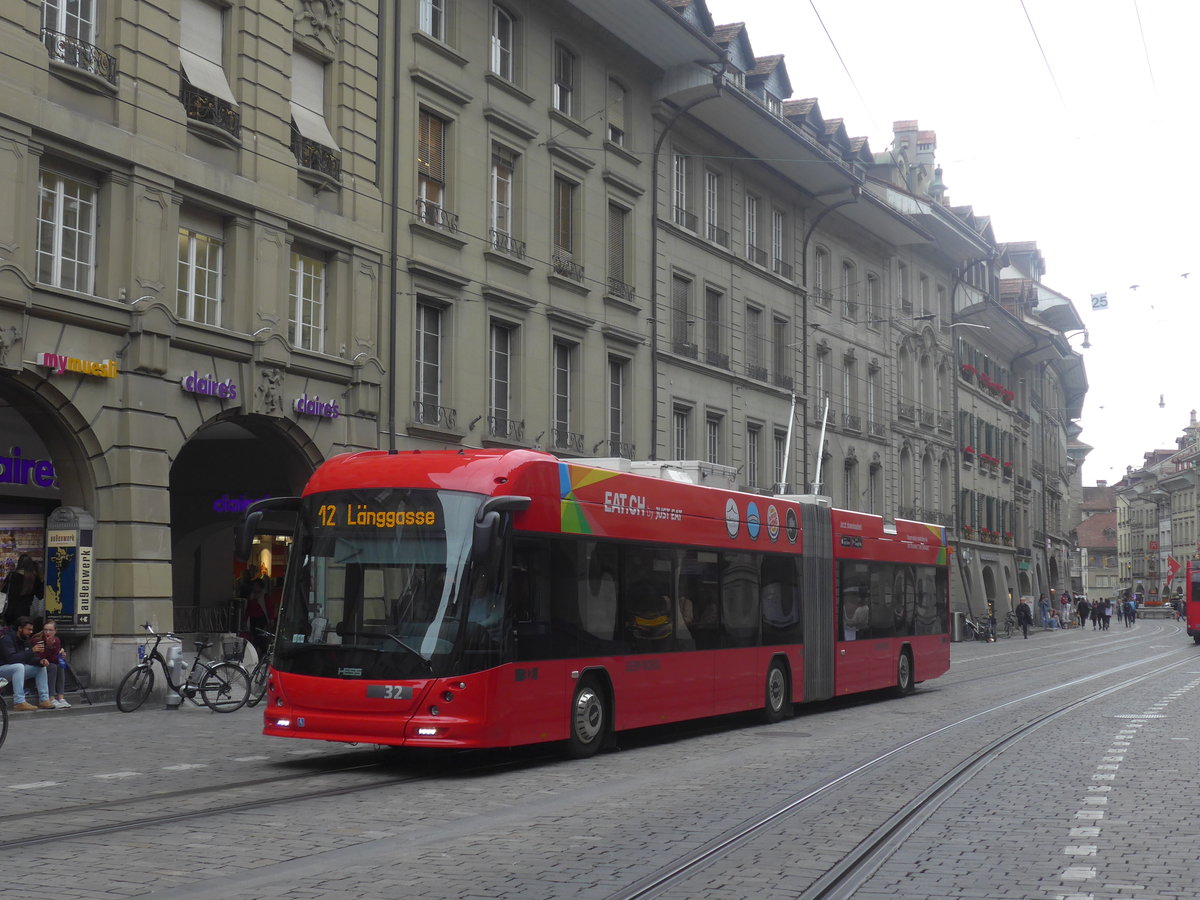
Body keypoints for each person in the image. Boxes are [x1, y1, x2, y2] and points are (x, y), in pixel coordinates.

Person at [0, 616, 53, 710]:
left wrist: (39, 661)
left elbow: (29, 659)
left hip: (16, 669)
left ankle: (44, 699)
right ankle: (19, 702)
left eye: (32, 630)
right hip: (3, 669)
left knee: (40, 668)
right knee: (19, 667)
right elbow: (11, 659)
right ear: (20, 628)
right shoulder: (7, 639)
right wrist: (31, 651)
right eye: (28, 629)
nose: (31, 632)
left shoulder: (25, 639)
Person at [33, 618, 70, 708]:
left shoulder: (56, 640)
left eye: (50, 630)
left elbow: (54, 659)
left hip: (50, 662)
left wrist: (60, 656)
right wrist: (49, 647)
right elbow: (40, 657)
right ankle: (51, 697)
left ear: (55, 631)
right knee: (53, 667)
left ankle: (61, 697)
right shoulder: (37, 640)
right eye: (45, 630)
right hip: (39, 663)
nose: (47, 632)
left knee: (60, 665)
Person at [2, 554, 44, 628]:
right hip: (24, 611)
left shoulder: (12, 575)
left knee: (10, 631)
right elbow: (40, 595)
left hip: (9, 610)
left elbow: (3, 591)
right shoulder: (33, 578)